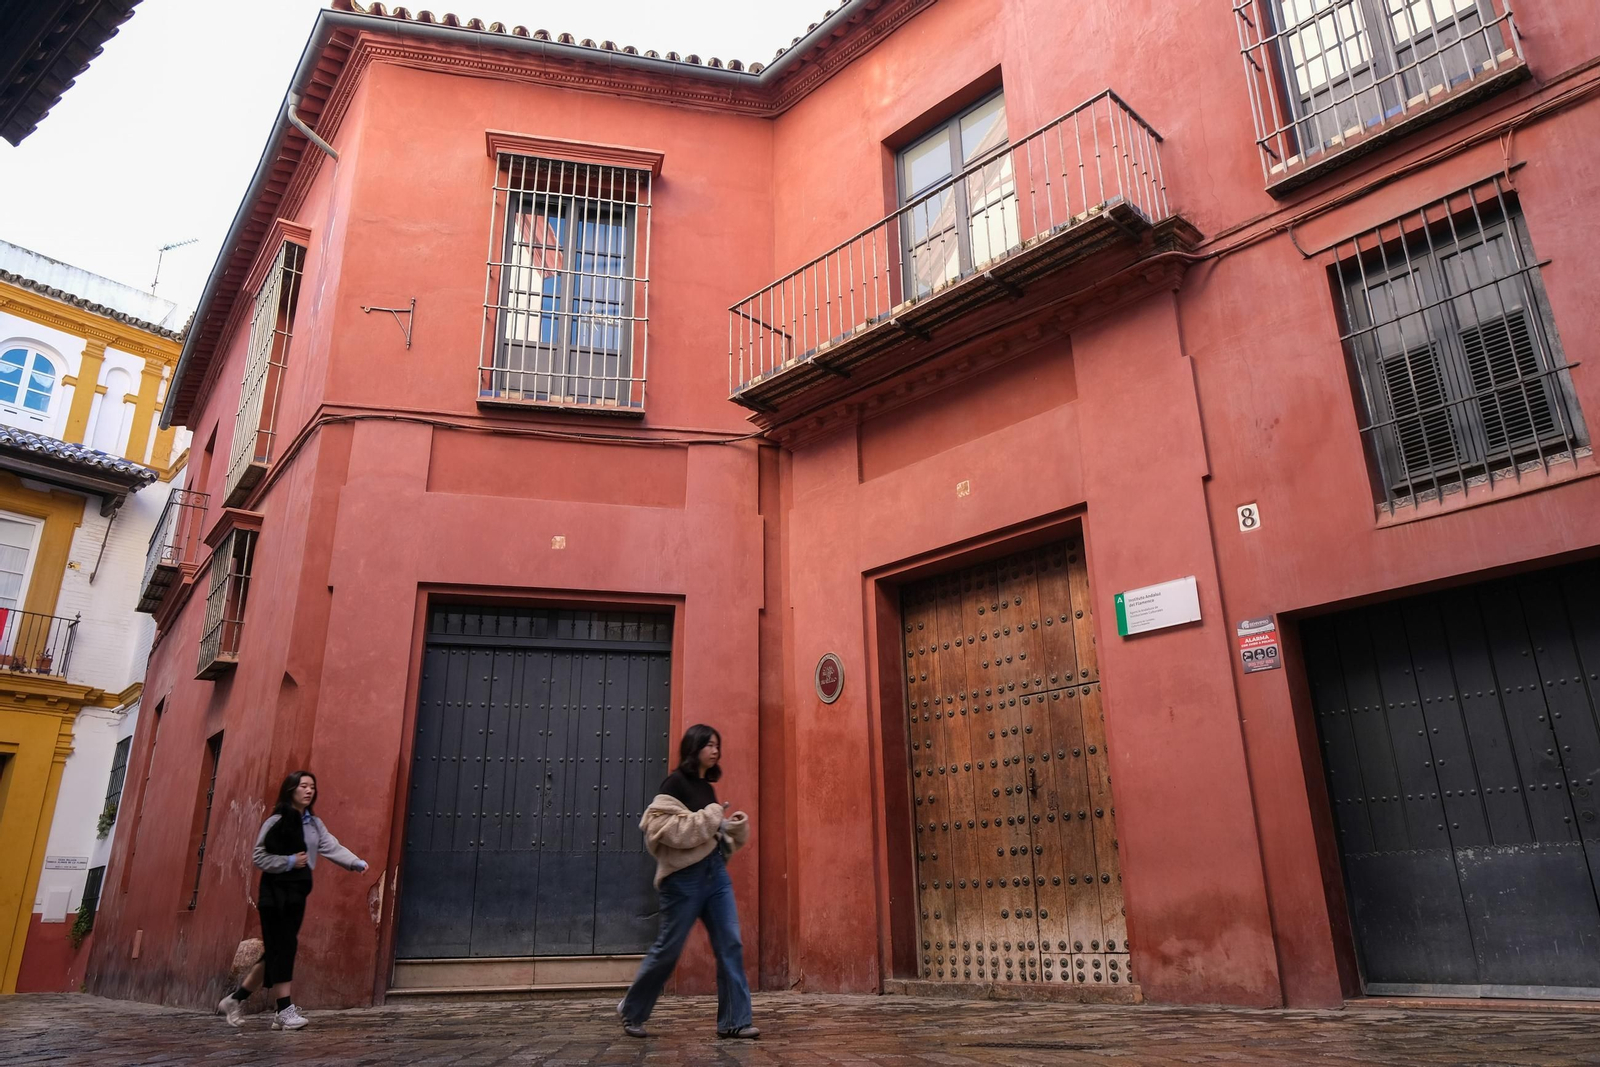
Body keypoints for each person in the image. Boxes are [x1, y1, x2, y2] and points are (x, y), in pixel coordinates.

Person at [617, 724, 757, 1040]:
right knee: (669, 949)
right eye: (709, 744)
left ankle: (735, 1021)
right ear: (693, 748)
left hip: (715, 874)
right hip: (683, 880)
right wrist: (711, 817)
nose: (715, 749)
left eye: (718, 744)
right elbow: (660, 828)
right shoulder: (675, 783)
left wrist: (728, 826)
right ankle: (632, 1010)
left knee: (730, 943)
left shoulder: (707, 786)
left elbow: (704, 829)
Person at [216, 770, 368, 1031]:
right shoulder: (275, 821)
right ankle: (284, 1010)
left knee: (276, 952)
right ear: (291, 790)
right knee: (283, 949)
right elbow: (258, 856)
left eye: (312, 787)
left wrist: (354, 862)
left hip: (297, 894)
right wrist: (288, 862)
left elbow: (331, 846)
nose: (309, 791)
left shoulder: (313, 824)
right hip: (274, 894)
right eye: (303, 786)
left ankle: (235, 1000)